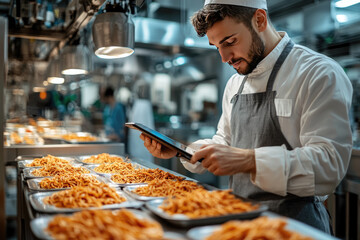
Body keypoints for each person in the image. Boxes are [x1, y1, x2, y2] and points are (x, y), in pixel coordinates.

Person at [140, 0, 353, 234]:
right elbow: (224, 141)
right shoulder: (235, 83)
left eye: (230, 42)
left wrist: (250, 160)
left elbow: (330, 164)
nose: (224, 57)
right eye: (216, 47)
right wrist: (183, 150)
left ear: (259, 20)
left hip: (295, 226)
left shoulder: (316, 72)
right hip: (239, 222)